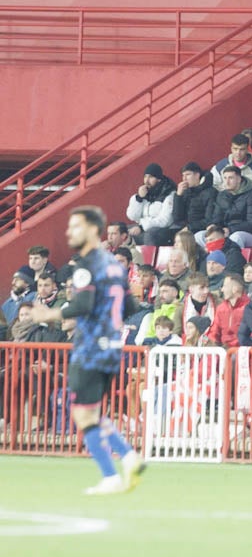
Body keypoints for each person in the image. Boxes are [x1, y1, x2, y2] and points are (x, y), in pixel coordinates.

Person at [62, 206, 146, 495]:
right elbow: (131, 306)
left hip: (89, 348)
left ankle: (111, 474)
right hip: (110, 348)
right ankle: (128, 456)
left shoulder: (88, 266)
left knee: (83, 414)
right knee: (92, 413)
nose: (70, 232)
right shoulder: (113, 266)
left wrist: (56, 312)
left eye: (75, 227)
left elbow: (83, 306)